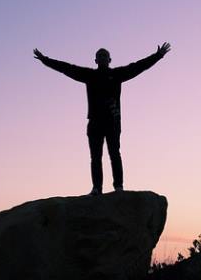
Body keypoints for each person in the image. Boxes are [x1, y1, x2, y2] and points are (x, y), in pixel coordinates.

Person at [33, 42, 171, 195]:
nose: (102, 58)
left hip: (112, 122)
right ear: (95, 60)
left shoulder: (117, 74)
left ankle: (118, 187)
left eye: (105, 55)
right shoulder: (90, 75)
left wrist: (157, 56)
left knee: (114, 154)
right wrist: (45, 60)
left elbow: (138, 67)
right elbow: (67, 68)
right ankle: (97, 188)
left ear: (110, 60)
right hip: (95, 123)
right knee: (95, 157)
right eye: (99, 56)